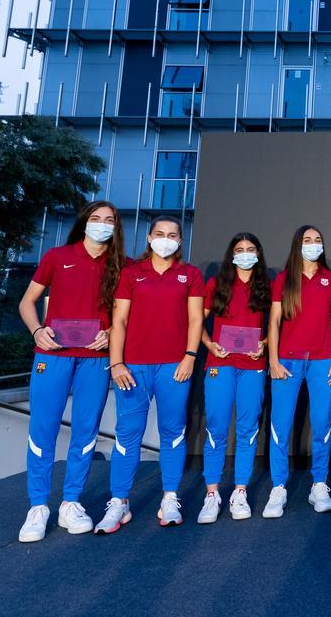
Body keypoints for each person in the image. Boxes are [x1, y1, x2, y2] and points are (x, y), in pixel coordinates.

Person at [16, 200, 127, 542]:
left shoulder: (122, 266)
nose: (102, 224)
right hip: (54, 356)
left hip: (95, 360)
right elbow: (26, 302)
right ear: (84, 222)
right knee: (43, 428)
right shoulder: (56, 257)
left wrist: (110, 334)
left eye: (109, 220)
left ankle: (70, 502)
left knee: (85, 430)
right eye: (96, 218)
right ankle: (37, 507)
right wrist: (37, 331)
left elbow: (127, 314)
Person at [95, 216, 204, 533]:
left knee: (173, 432)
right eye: (160, 233)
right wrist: (116, 363)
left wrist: (189, 357)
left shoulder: (190, 275)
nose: (165, 239)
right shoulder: (131, 273)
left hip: (175, 366)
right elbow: (120, 321)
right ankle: (119, 502)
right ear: (149, 237)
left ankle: (170, 497)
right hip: (134, 367)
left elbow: (196, 320)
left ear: (180, 241)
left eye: (172, 235)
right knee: (128, 434)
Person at [264, 225, 331, 516]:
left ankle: (319, 484)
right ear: (298, 245)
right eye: (308, 240)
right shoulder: (284, 280)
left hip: (324, 360)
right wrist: (273, 359)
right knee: (280, 425)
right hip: (287, 360)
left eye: (318, 240)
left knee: (322, 423)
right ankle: (278, 488)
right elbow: (274, 322)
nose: (313, 244)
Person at [196, 232, 271, 524]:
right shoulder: (216, 284)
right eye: (240, 249)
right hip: (220, 363)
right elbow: (196, 322)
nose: (245, 254)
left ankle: (240, 491)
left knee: (247, 429)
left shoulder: (265, 286)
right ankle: (212, 493)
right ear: (231, 254)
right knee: (216, 428)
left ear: (258, 254)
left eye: (251, 249)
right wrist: (208, 344)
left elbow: (273, 326)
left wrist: (264, 344)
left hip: (253, 365)